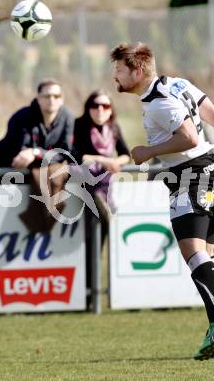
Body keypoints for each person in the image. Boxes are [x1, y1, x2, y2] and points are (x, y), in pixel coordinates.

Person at [110, 42, 214, 360]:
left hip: (193, 177)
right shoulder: (177, 84)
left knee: (193, 253)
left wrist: (148, 151)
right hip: (213, 174)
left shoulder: (159, 103)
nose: (115, 77)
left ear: (138, 70)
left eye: (119, 70)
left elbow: (190, 137)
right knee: (206, 256)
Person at [72, 89, 130, 309]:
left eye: (105, 106)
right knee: (88, 244)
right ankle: (87, 296)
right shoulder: (79, 126)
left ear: (111, 110)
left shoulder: (113, 128)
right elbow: (76, 154)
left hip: (108, 187)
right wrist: (103, 159)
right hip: (84, 187)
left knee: (100, 244)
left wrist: (115, 162)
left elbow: (126, 153)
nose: (100, 110)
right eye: (96, 105)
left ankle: (93, 296)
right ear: (88, 108)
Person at [0, 78, 74, 168]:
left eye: (56, 96)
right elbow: (22, 152)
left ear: (62, 99)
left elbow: (64, 153)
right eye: (47, 96)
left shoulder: (68, 118)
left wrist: (36, 152)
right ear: (38, 98)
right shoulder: (22, 117)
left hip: (34, 171)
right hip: (1, 168)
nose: (52, 100)